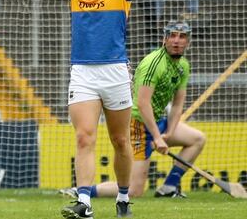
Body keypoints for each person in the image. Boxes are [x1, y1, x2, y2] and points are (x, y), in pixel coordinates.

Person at [0, 0, 183, 219]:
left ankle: (122, 197)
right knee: (84, 137)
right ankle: (85, 201)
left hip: (115, 71)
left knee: (121, 140)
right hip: (82, 72)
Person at [63, 21, 205, 200]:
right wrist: (157, 137)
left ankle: (169, 187)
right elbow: (143, 104)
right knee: (135, 190)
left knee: (197, 139)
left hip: (159, 120)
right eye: (172, 36)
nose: (177, 41)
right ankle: (82, 191)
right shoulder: (153, 64)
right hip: (139, 123)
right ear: (164, 39)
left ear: (188, 42)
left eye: (182, 37)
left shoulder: (183, 65)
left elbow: (177, 104)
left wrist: (168, 133)